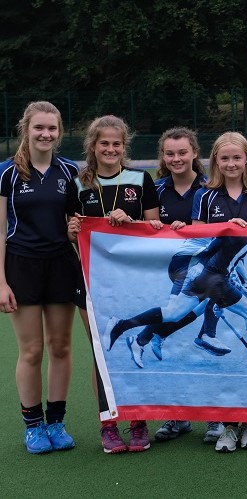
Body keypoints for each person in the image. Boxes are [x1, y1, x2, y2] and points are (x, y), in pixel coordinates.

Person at [106, 132, 247, 453]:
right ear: (215, 161)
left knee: (178, 313)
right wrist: (206, 236)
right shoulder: (205, 196)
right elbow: (199, 241)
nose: (231, 164)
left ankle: (127, 327)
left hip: (222, 273)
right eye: (225, 158)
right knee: (193, 312)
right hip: (207, 273)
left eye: (237, 158)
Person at [67, 115, 162, 454]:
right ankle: (108, 424)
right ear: (92, 146)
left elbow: (155, 227)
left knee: (129, 345)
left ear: (124, 146)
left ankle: (138, 421)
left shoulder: (140, 179)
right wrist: (71, 232)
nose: (110, 149)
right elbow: (71, 232)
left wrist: (131, 220)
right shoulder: (78, 183)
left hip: (132, 280)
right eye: (104, 143)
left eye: (116, 144)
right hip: (90, 279)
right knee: (101, 352)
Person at [0, 102, 80, 454]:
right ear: (26, 129)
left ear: (59, 132)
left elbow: (76, 225)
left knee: (60, 347)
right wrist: (1, 283)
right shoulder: (7, 173)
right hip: (22, 266)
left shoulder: (70, 170)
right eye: (39, 127)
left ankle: (56, 422)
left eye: (52, 128)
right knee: (31, 350)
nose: (45, 134)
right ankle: (33, 426)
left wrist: (75, 231)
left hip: (61, 264)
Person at [140, 127, 227, 444]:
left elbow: (222, 231)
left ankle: (215, 416)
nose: (176, 158)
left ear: (194, 153)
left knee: (204, 343)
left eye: (182, 152)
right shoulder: (155, 190)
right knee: (177, 346)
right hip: (172, 271)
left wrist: (191, 231)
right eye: (170, 153)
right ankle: (177, 416)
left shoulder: (211, 187)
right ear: (163, 157)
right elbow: (140, 231)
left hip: (207, 271)